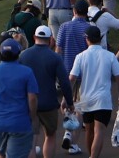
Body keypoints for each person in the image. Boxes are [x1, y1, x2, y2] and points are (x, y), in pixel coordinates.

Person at [21, 25, 79, 158]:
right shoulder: (55, 57)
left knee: (31, 138)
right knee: (50, 136)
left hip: (28, 104)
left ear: (34, 37)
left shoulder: (24, 56)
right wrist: (69, 102)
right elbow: (65, 82)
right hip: (49, 103)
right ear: (50, 39)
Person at [0, 38, 38, 158]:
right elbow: (32, 98)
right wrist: (32, 116)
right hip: (19, 123)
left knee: (1, 153)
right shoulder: (27, 72)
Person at [70, 24, 119, 158]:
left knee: (89, 130)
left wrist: (66, 97)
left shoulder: (80, 56)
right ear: (100, 38)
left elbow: (72, 78)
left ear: (87, 39)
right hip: (103, 99)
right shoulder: (110, 56)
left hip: (86, 99)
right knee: (99, 131)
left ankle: (91, 155)